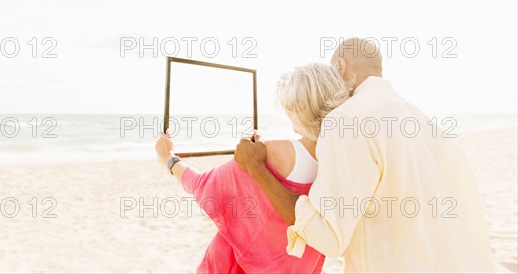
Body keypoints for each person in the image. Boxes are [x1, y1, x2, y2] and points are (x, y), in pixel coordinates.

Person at [234, 37, 495, 273]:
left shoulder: (346, 121)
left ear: (340, 67)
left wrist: (255, 166)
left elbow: (328, 235)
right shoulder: (424, 121)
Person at [154, 63, 350, 273]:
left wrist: (168, 158)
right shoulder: (343, 160)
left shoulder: (269, 154)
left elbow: (202, 184)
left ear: (297, 107)